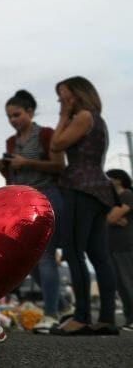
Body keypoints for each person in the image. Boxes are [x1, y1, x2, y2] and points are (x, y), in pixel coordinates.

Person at [0, 89, 68, 333]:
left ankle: (51, 313)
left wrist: (26, 162)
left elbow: (59, 166)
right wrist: (5, 168)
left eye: (16, 115)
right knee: (30, 261)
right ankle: (62, 305)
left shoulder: (46, 134)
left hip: (48, 196)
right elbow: (13, 177)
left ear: (30, 112)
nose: (13, 120)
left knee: (45, 256)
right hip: (23, 201)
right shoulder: (11, 142)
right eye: (9, 116)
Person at [50, 76, 119, 336]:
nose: (60, 99)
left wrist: (63, 115)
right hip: (99, 188)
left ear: (76, 94)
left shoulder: (82, 117)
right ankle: (107, 318)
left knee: (73, 250)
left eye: (63, 94)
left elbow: (56, 144)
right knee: (99, 255)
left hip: (81, 186)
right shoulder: (97, 119)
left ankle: (81, 317)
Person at [105, 168, 133, 331]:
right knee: (121, 285)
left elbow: (110, 217)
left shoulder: (127, 194)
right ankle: (129, 318)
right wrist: (110, 219)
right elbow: (108, 218)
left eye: (108, 178)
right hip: (112, 245)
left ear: (118, 180)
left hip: (125, 245)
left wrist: (110, 218)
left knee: (128, 281)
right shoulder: (111, 200)